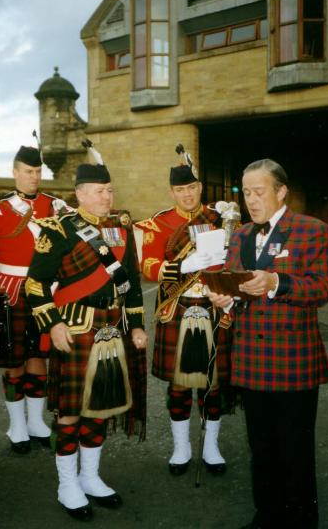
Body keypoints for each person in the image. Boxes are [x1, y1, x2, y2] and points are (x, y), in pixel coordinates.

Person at [207, 159, 328, 529]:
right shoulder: (242, 235)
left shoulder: (313, 230)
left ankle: (300, 521)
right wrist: (226, 298)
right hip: (250, 359)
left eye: (259, 191)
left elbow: (322, 289)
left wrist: (276, 283)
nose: (251, 199)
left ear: (281, 192)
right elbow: (237, 285)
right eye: (245, 192)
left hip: (292, 361)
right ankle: (267, 516)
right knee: (260, 449)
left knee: (294, 451)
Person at [25, 140, 147, 522]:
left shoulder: (122, 228)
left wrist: (138, 325)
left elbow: (133, 285)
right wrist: (53, 323)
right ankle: (67, 484)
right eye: (99, 191)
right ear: (79, 194)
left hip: (114, 329)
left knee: (101, 407)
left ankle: (90, 476)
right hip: (76, 329)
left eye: (110, 190)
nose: (107, 197)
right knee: (70, 412)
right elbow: (35, 284)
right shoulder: (58, 229)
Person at [136, 144, 233, 479]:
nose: (187, 194)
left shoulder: (220, 218)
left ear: (200, 188)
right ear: (171, 191)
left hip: (212, 304)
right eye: (180, 189)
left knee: (213, 382)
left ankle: (211, 447)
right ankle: (181, 448)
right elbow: (147, 264)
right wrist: (179, 266)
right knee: (178, 385)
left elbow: (235, 259)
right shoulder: (158, 223)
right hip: (177, 306)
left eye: (192, 187)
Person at [0, 145, 68, 454]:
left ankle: (36, 422)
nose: (34, 177)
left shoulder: (55, 206)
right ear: (15, 173)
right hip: (9, 289)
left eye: (38, 172)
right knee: (13, 360)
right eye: (28, 172)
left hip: (45, 289)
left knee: (38, 356)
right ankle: (16, 425)